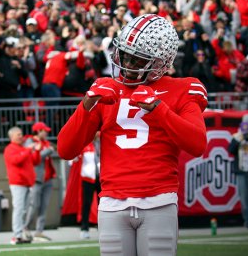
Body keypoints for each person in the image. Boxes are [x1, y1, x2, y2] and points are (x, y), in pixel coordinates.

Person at [57, 14, 208, 256]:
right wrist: (87, 104)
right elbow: (65, 149)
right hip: (112, 202)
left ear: (160, 62)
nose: (127, 62)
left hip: (158, 200)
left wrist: (159, 109)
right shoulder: (105, 88)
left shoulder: (181, 88)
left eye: (137, 59)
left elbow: (197, 144)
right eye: (125, 54)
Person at [3, 127, 41, 245]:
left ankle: (21, 234)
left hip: (26, 183)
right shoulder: (10, 148)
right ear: (12, 137)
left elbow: (35, 161)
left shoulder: (23, 148)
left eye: (21, 134)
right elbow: (16, 160)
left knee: (23, 210)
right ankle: (17, 236)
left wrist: (37, 151)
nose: (21, 136)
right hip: (18, 183)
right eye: (18, 134)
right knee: (19, 209)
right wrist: (28, 150)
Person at [23, 122, 56, 242]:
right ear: (38, 131)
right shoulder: (29, 142)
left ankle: (39, 231)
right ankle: (25, 228)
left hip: (48, 178)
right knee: (34, 205)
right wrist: (48, 150)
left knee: (44, 206)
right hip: (36, 179)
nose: (47, 133)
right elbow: (34, 159)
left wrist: (49, 149)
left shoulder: (45, 143)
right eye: (44, 131)